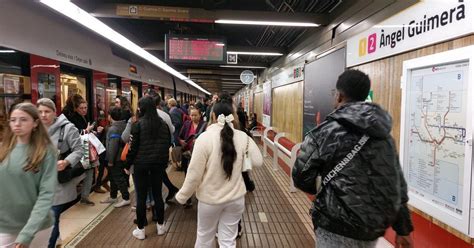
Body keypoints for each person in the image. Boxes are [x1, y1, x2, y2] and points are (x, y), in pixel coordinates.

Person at [292, 69, 414, 248]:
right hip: (371, 228)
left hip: (334, 225)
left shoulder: (324, 133)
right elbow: (396, 183)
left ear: (339, 96)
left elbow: (301, 177)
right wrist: (403, 229)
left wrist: (322, 190)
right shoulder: (383, 136)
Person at [175, 99, 263, 248]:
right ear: (233, 116)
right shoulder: (242, 137)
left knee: (204, 238)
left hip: (210, 200)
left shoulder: (204, 138)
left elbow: (194, 175)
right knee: (228, 241)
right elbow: (258, 161)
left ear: (214, 116)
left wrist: (182, 196)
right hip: (236, 200)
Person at [0, 103, 57, 247]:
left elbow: (46, 194)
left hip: (36, 229)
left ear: (35, 123)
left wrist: (27, 234)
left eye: (23, 119)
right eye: (13, 120)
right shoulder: (3, 149)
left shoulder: (46, 152)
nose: (17, 124)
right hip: (4, 226)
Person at [37, 98, 85, 248]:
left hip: (57, 183)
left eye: (47, 111)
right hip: (38, 182)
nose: (43, 115)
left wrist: (66, 162)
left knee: (51, 218)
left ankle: (51, 243)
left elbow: (79, 150)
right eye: (40, 112)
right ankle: (56, 239)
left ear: (54, 112)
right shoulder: (34, 128)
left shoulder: (67, 128)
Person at [126, 97, 171, 240]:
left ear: (141, 108)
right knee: (158, 195)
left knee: (141, 197)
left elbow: (132, 149)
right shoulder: (163, 125)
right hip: (158, 165)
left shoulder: (137, 125)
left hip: (141, 165)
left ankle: (140, 230)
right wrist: (163, 163)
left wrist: (127, 165)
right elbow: (167, 145)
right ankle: (161, 227)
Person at [63, 94, 101, 206]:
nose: (84, 110)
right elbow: (72, 134)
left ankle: (84, 196)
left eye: (85, 108)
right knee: (80, 172)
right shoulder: (70, 118)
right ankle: (75, 195)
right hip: (74, 150)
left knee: (89, 171)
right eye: (81, 108)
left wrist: (92, 131)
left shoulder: (81, 116)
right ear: (75, 108)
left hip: (84, 147)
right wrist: (85, 130)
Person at [100, 107, 130, 207]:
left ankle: (126, 198)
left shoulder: (113, 129)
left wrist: (111, 160)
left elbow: (113, 145)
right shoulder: (124, 125)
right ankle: (113, 196)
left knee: (118, 178)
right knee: (113, 177)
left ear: (110, 116)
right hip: (121, 157)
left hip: (115, 158)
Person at [177, 107, 207, 207]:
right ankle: (188, 198)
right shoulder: (186, 124)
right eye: (191, 115)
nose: (193, 117)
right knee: (188, 176)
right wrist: (182, 142)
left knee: (200, 176)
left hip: (200, 155)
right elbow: (180, 137)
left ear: (200, 115)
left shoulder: (205, 125)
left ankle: (201, 197)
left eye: (195, 115)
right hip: (187, 154)